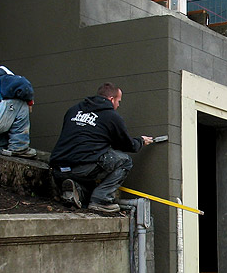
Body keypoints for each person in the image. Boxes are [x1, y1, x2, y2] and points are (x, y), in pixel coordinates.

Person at [49, 82, 155, 213]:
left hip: (59, 169)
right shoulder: (111, 116)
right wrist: (140, 141)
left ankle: (73, 190)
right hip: (82, 168)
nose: (118, 105)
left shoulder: (73, 110)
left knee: (91, 176)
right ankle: (101, 200)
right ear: (111, 99)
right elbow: (126, 145)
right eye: (118, 101)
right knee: (124, 161)